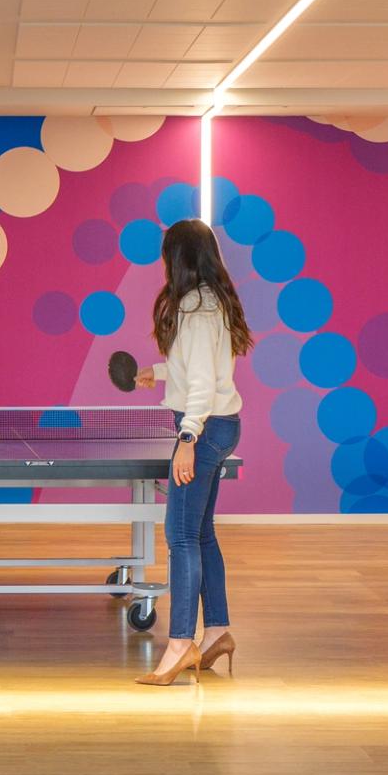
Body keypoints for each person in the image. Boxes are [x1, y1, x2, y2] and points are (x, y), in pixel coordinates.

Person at [134, 218, 251, 686]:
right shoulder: (211, 300)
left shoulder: (194, 308)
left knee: (180, 535)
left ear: (178, 258)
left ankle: (180, 644)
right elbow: (202, 368)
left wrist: (187, 439)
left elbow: (202, 383)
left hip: (203, 429)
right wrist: (159, 372)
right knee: (201, 534)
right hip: (222, 424)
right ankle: (217, 632)